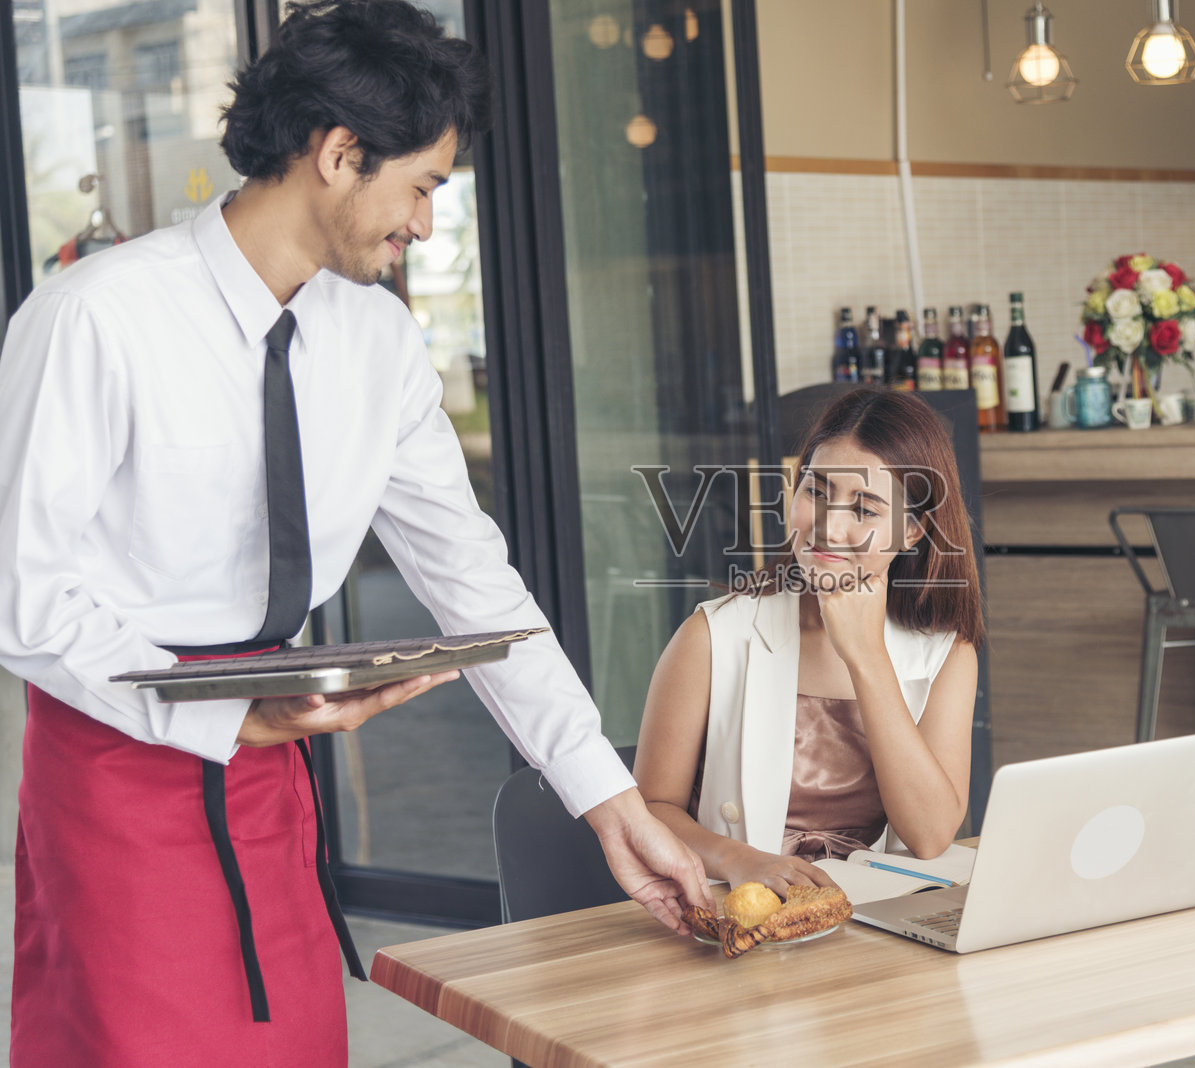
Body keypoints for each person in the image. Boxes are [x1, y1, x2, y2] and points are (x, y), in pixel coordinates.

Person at [0, 2, 708, 1063]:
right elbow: (22, 591)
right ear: (338, 154)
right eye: (421, 185)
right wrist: (224, 718)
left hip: (276, 762)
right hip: (118, 761)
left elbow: (472, 579)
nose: (426, 223)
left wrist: (606, 801)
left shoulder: (376, 339)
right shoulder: (97, 317)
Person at [633, 388, 985, 895]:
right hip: (738, 922)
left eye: (864, 508)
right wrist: (738, 859)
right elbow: (650, 809)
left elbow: (930, 837)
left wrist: (866, 659)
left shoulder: (946, 655)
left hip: (872, 929)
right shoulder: (713, 635)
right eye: (816, 492)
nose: (828, 527)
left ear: (911, 532)